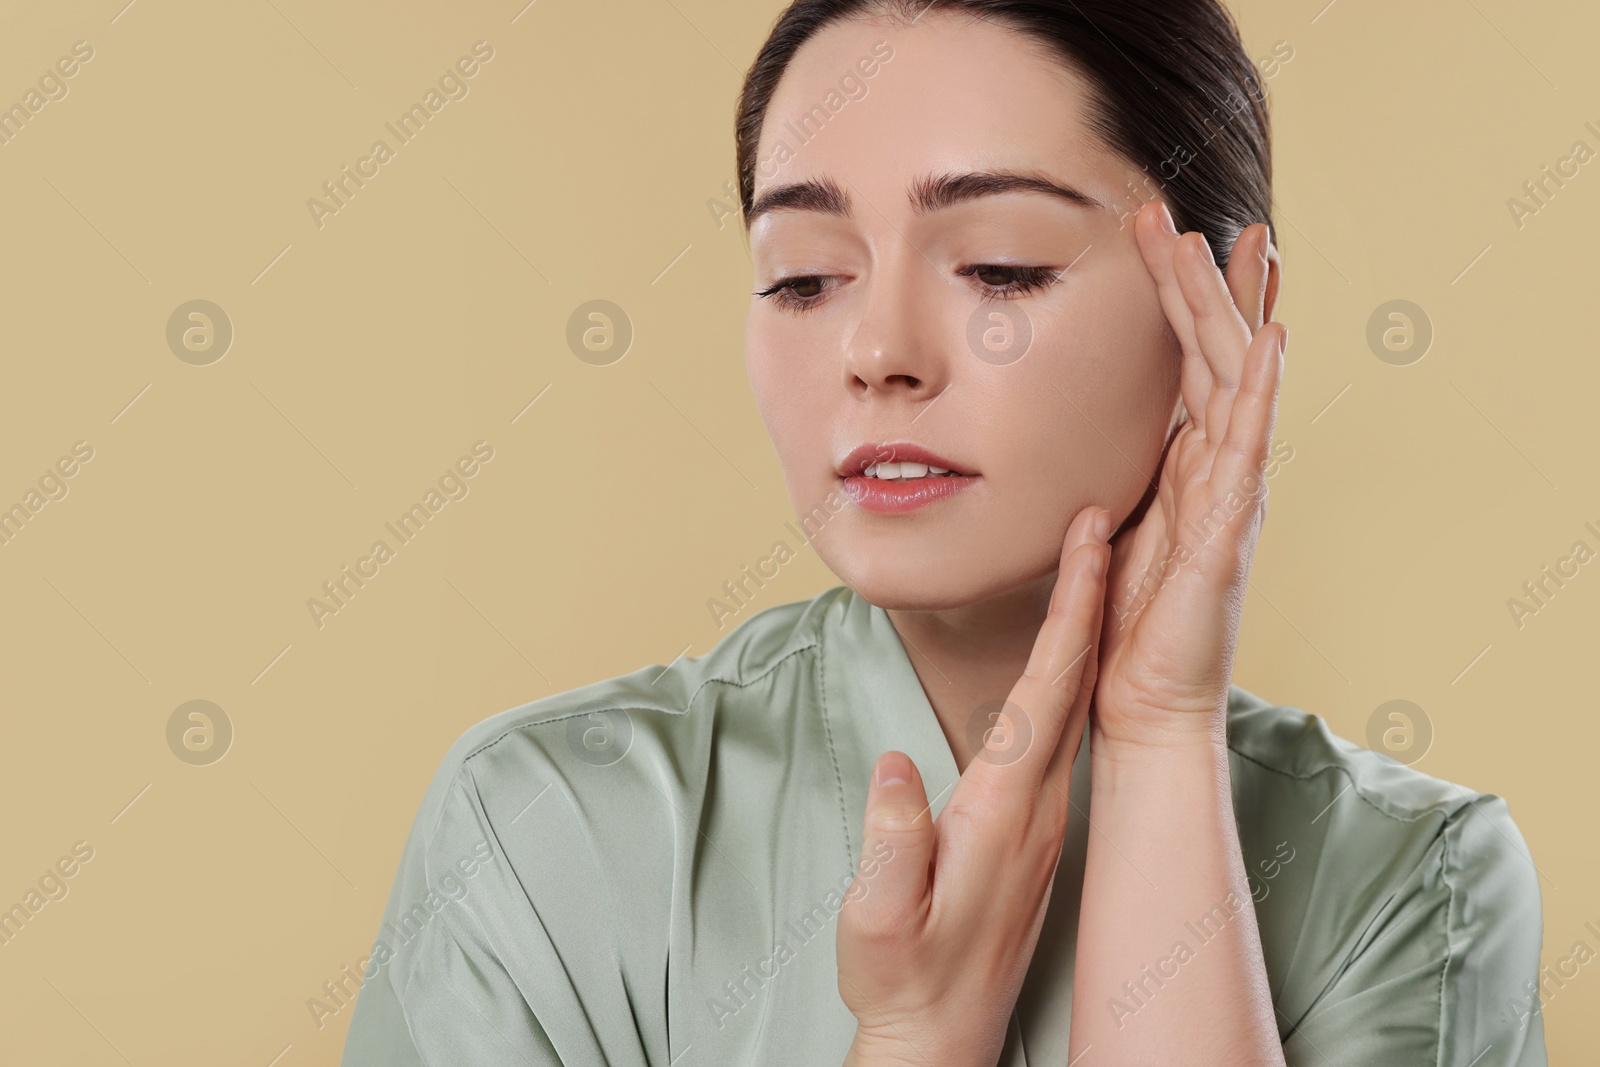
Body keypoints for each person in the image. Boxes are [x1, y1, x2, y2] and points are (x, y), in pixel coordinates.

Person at [341, 1, 1548, 1063]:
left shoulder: (1414, 880)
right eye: (804, 277)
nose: (876, 354)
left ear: (1226, 307)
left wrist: (1161, 742)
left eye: (999, 267)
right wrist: (917, 1039)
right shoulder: (544, 827)